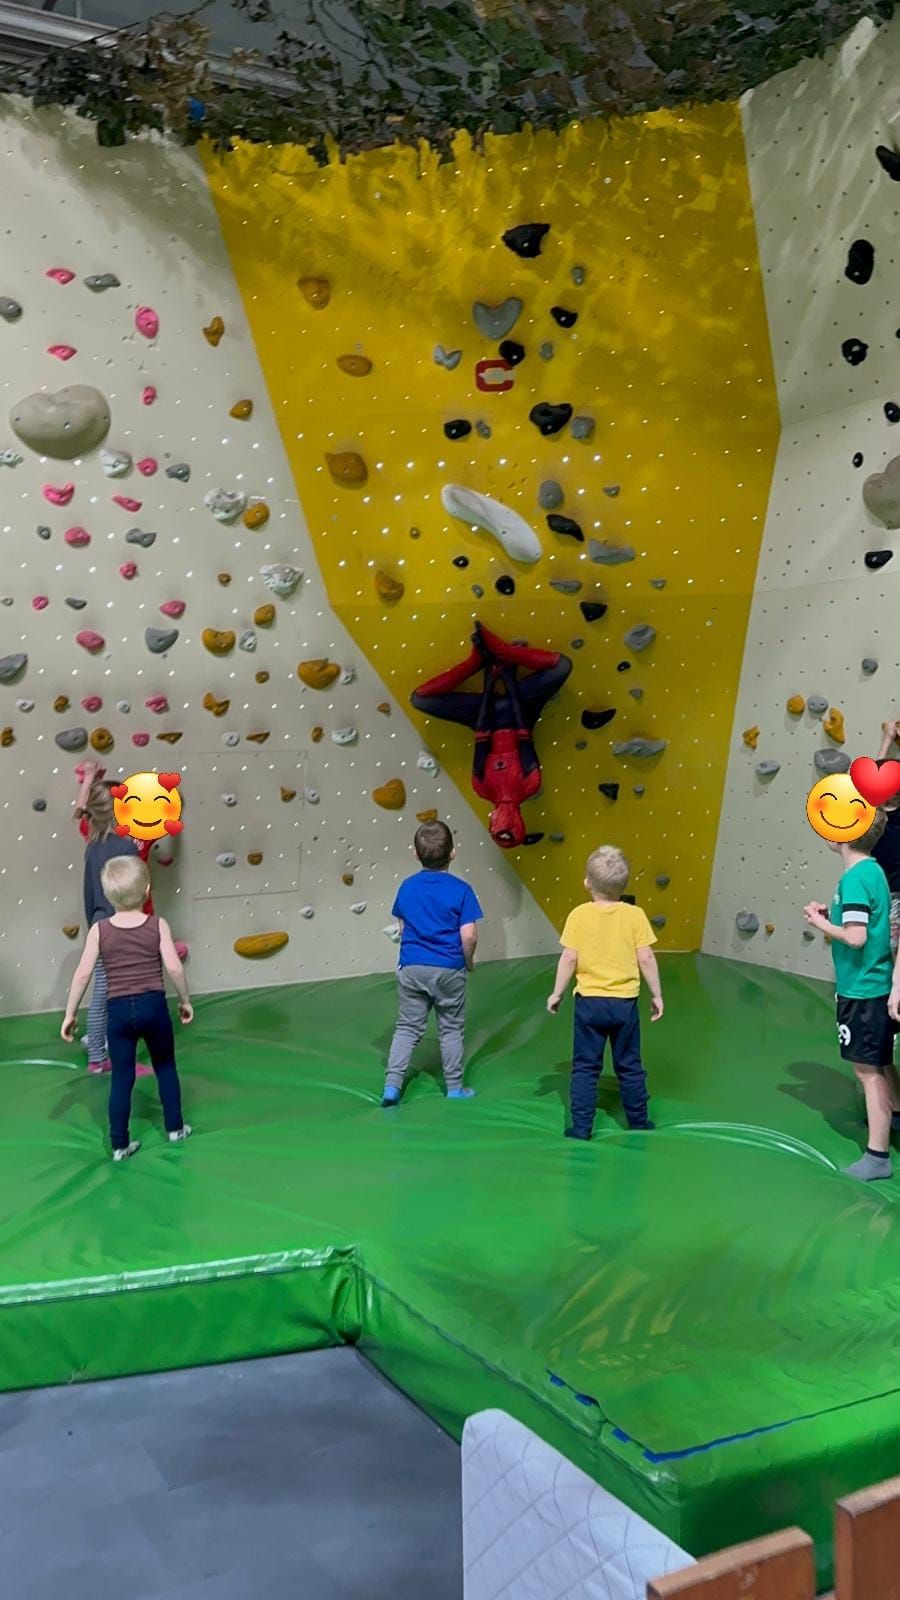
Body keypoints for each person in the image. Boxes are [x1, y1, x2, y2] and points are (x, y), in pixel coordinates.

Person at [61, 855, 193, 1161]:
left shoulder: (100, 930)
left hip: (118, 1012)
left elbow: (82, 973)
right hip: (153, 1007)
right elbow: (173, 967)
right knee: (165, 1067)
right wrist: (185, 1000)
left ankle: (120, 1144)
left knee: (122, 1077)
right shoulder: (157, 925)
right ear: (147, 890)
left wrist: (70, 1013)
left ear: (108, 896)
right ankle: (175, 1128)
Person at [410, 622, 572, 849]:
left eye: (492, 827)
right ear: (515, 822)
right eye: (498, 826)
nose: (493, 820)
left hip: (483, 716)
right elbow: (522, 730)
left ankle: (475, 661)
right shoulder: (529, 784)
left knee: (419, 699)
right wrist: (507, 680)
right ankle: (504, 651)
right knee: (562, 666)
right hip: (519, 710)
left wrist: (488, 685)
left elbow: (482, 735)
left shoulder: (482, 787)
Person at [803, 808, 897, 1181]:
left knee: (867, 1071)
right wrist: (835, 915)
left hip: (863, 988)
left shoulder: (855, 878)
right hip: (872, 984)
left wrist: (822, 923)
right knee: (880, 1061)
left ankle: (877, 1156)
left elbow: (856, 937)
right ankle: (895, 1115)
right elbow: (865, 923)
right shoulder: (872, 870)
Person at [547, 845, 663, 1140]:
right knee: (629, 1064)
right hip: (624, 1004)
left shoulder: (578, 915)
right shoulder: (635, 915)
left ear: (587, 882)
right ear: (624, 885)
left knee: (585, 1068)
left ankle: (582, 1127)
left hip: (589, 1004)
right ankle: (638, 1121)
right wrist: (657, 995)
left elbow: (569, 958)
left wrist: (557, 992)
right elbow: (646, 957)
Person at [382, 819, 483, 1106]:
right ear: (453, 853)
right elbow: (469, 935)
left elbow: (402, 926)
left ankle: (392, 1086)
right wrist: (469, 961)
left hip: (412, 967)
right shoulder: (462, 890)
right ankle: (454, 1087)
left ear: (416, 854)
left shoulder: (407, 887)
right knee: (450, 1028)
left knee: (407, 1027)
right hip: (449, 969)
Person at [73, 762, 142, 1075]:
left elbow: (89, 894)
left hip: (99, 925)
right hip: (120, 926)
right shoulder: (126, 846)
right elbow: (133, 891)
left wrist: (93, 925)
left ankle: (98, 1051)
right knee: (118, 992)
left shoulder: (92, 847)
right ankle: (105, 1053)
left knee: (103, 991)